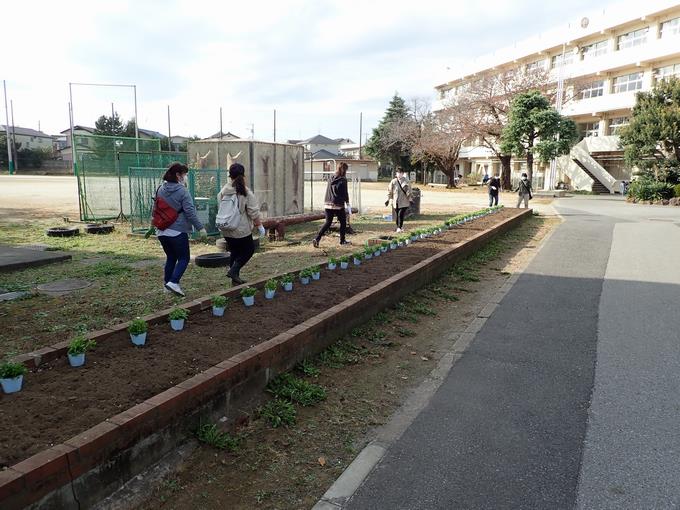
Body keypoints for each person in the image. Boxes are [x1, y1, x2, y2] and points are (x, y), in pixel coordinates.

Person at [156, 162, 207, 297]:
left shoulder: (160, 189)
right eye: (184, 174)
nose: (185, 177)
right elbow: (190, 212)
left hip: (161, 231)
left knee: (171, 257)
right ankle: (173, 282)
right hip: (177, 231)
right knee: (184, 258)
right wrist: (200, 228)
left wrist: (152, 225)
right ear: (178, 175)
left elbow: (154, 209)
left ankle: (167, 286)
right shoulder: (183, 191)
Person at [217, 163, 265, 285]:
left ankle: (235, 279)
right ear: (243, 175)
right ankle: (234, 271)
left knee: (235, 251)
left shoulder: (223, 190)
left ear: (230, 176)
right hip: (240, 229)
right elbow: (253, 211)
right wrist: (259, 226)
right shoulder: (245, 192)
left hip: (226, 227)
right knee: (248, 250)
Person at [313, 162, 351, 247]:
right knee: (343, 222)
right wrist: (347, 203)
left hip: (327, 203)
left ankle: (317, 238)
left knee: (328, 223)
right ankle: (342, 241)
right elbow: (345, 192)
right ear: (344, 170)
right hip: (337, 204)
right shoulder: (343, 179)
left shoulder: (331, 177)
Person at [386, 167, 412, 232]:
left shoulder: (406, 181)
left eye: (401, 173)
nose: (399, 174)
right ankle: (399, 227)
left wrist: (410, 199)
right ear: (396, 173)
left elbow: (409, 191)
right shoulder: (393, 181)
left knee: (400, 214)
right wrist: (388, 199)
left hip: (404, 202)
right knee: (397, 215)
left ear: (403, 174)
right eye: (398, 173)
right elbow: (390, 191)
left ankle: (399, 227)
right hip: (396, 202)